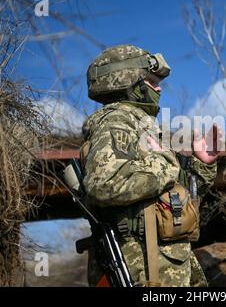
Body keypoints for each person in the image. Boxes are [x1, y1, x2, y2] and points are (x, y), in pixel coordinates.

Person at [80, 44, 218, 287]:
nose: (158, 87)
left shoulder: (141, 126)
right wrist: (162, 161)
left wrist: (201, 165)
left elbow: (174, 197)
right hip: (143, 267)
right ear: (131, 84)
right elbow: (104, 184)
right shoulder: (117, 123)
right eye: (152, 80)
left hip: (165, 262)